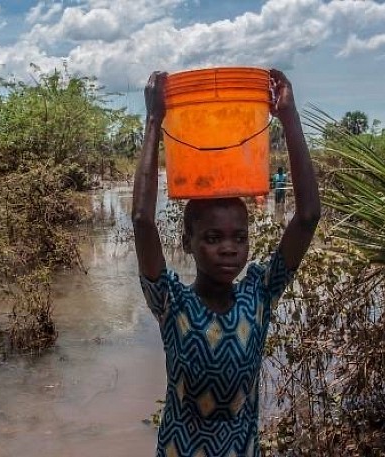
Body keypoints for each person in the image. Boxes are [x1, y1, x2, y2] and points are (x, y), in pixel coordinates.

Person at [132, 69, 320, 457]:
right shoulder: (171, 303)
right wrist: (154, 120)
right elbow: (142, 220)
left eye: (239, 237)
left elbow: (307, 217)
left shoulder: (259, 294)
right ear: (188, 242)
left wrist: (288, 116)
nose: (229, 249)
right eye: (213, 238)